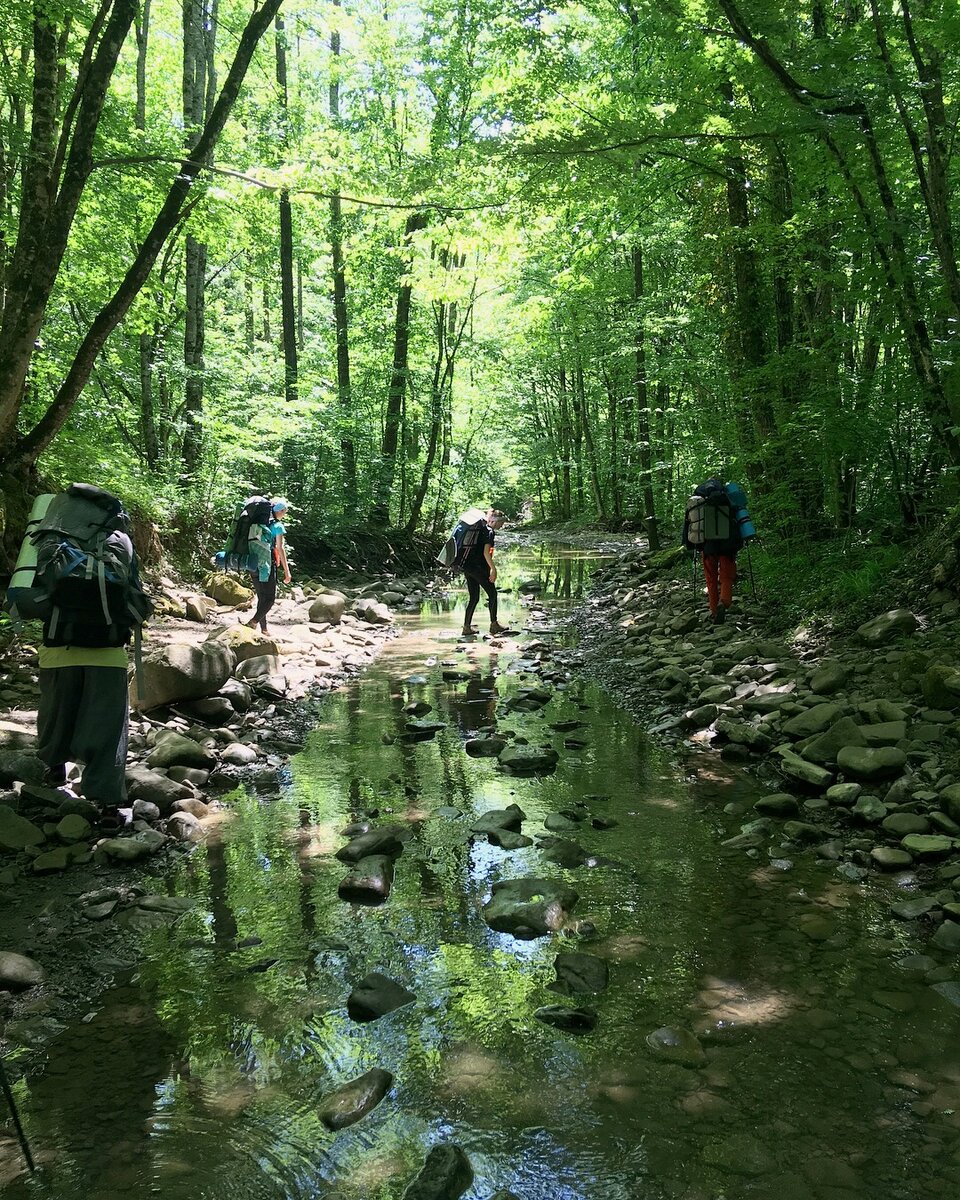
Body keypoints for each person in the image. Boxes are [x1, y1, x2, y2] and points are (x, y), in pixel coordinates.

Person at [36, 526, 136, 827]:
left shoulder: (51, 542)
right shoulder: (120, 543)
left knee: (56, 714)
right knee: (108, 730)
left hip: (56, 650)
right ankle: (108, 807)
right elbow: (134, 594)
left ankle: (54, 767)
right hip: (107, 652)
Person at [681, 477, 746, 624]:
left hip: (708, 546)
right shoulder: (727, 498)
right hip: (728, 545)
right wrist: (739, 543)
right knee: (726, 577)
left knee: (710, 579)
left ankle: (714, 611)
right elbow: (739, 522)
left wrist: (691, 546)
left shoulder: (701, 502)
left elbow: (688, 524)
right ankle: (724, 601)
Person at [459, 507, 512, 638]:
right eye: (501, 523)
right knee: (493, 594)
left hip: (468, 567)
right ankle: (494, 624)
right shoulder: (489, 532)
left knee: (474, 598)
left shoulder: (480, 529)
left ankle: (467, 627)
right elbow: (486, 552)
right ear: (494, 521)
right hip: (479, 568)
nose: (502, 525)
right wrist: (493, 569)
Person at [244, 497, 291, 634]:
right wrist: (287, 572)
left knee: (262, 597)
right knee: (269, 599)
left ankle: (264, 629)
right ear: (280, 511)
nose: (285, 514)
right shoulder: (277, 526)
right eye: (284, 511)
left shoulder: (259, 524)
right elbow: (280, 548)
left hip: (253, 561)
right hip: (267, 563)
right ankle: (253, 622)